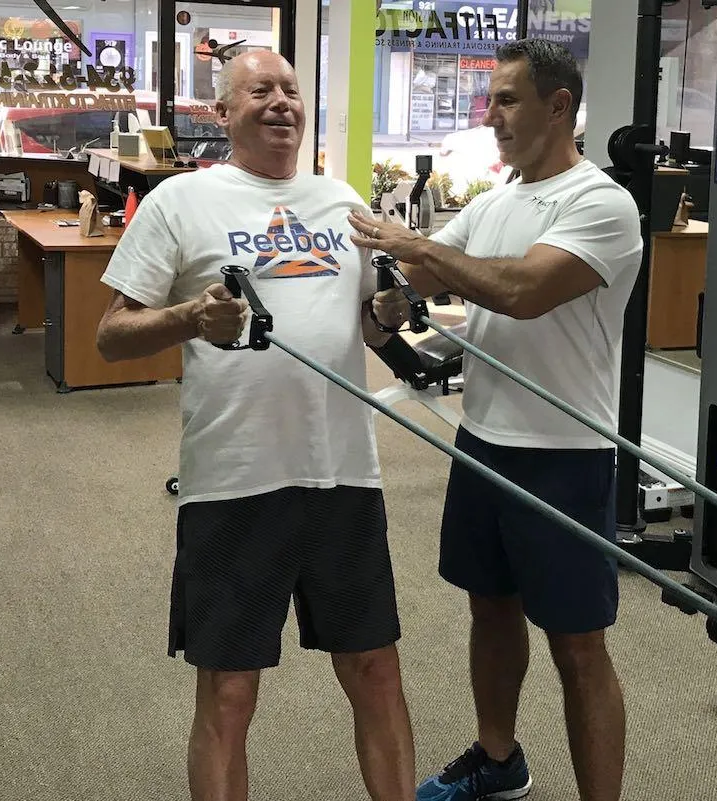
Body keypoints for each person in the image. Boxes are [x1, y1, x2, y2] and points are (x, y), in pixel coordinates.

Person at [95, 50, 415, 801]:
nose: (281, 103)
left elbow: (370, 324)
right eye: (260, 90)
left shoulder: (342, 201)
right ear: (222, 113)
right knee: (231, 690)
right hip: (236, 477)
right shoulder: (184, 202)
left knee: (376, 671)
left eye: (291, 91)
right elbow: (111, 333)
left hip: (342, 472)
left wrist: (387, 311)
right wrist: (190, 318)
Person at [350, 39, 643, 801]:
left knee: (579, 646)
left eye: (507, 100)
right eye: (490, 102)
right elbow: (418, 270)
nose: (492, 117)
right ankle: (498, 756)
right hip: (484, 443)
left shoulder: (601, 203)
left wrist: (416, 253)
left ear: (559, 106)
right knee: (491, 607)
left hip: (565, 452)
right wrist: (394, 289)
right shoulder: (493, 201)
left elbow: (521, 289)